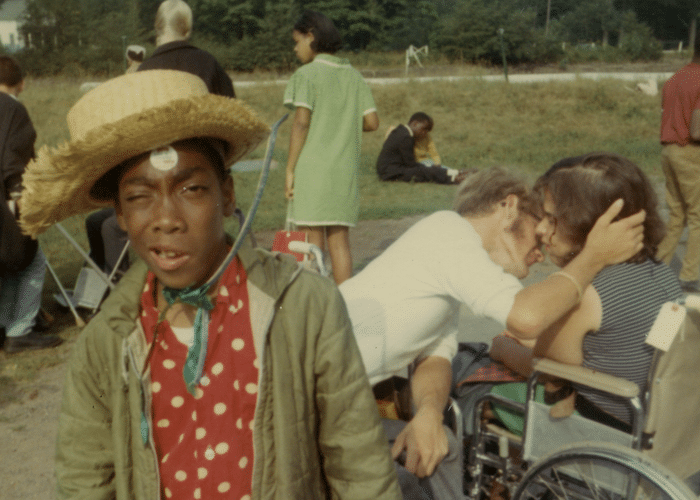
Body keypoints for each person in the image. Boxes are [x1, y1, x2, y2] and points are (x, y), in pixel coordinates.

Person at [19, 70, 400, 500]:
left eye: (192, 188)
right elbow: (84, 481)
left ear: (228, 194)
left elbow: (360, 467)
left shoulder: (305, 308)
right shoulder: (105, 343)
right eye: (140, 197)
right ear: (120, 217)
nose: (167, 218)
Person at [339, 166, 646, 499]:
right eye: (537, 222)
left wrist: (428, 414)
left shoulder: (448, 254)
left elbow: (436, 356)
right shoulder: (448, 234)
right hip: (312, 392)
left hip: (339, 398)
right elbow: (526, 320)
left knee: (443, 445)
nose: (542, 242)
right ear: (508, 207)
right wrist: (592, 258)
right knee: (435, 454)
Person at [488, 152, 682, 433]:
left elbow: (543, 367)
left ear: (591, 225)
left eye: (553, 219)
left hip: (599, 425)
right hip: (651, 421)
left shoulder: (586, 295)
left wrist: (504, 349)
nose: (541, 229)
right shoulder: (660, 272)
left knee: (479, 390)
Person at [283, 10, 379, 285]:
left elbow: (301, 124)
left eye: (297, 41)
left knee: (311, 241)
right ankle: (346, 303)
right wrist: (342, 121)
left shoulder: (307, 74)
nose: (295, 47)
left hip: (313, 170)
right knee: (340, 242)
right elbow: (372, 122)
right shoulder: (354, 76)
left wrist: (290, 169)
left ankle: (316, 305)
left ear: (311, 37)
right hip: (343, 172)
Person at [0, 55, 62, 353]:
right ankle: (20, 331)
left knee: (10, 262)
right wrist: (18, 198)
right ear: (21, 83)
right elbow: (13, 160)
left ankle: (6, 325)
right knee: (30, 260)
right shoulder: (13, 109)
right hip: (4, 203)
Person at [656, 35, 700, 292]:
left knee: (677, 216)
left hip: (669, 151)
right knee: (697, 217)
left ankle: (657, 269)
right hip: (690, 152)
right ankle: (689, 275)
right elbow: (696, 130)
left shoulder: (676, 78)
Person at [138, 0, 235, 97]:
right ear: (188, 27)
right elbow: (232, 106)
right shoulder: (207, 63)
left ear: (157, 27)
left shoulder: (143, 71)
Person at [377, 112, 469, 185]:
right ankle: (454, 178)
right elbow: (410, 163)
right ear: (415, 123)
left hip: (389, 169)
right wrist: (427, 169)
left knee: (424, 169)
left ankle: (455, 173)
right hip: (390, 172)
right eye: (423, 129)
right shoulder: (406, 137)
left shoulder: (400, 131)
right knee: (422, 171)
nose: (424, 133)